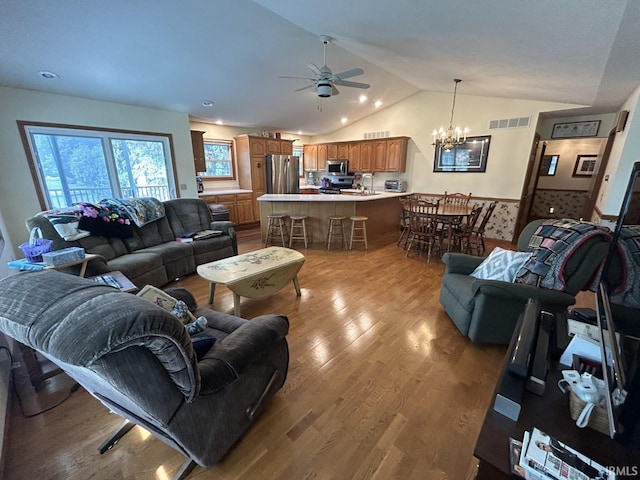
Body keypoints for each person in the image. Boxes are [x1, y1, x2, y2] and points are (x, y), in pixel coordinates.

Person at [535, 439, 607, 480]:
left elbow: (559, 446)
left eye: (544, 445)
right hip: (571, 463)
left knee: (585, 466)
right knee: (584, 470)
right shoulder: (553, 454)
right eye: (543, 448)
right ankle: (597, 477)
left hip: (572, 458)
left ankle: (598, 473)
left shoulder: (553, 445)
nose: (545, 448)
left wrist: (571, 455)